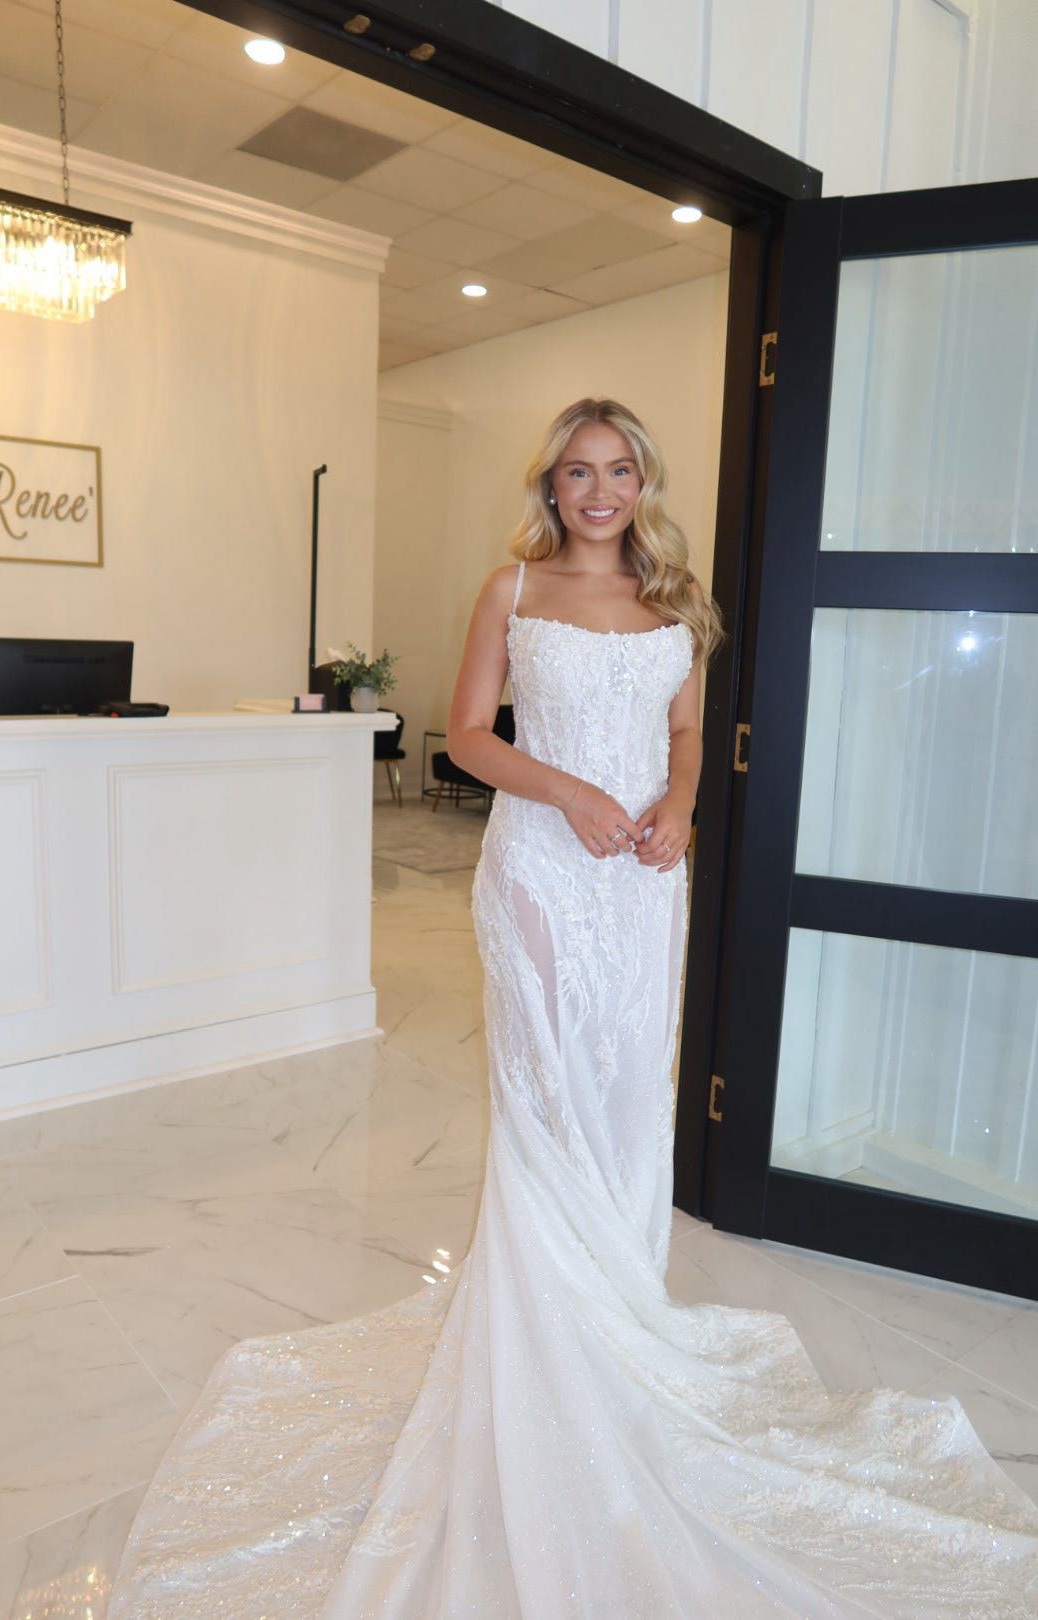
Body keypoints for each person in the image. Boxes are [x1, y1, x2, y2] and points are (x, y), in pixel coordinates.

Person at [107, 399, 1038, 1618]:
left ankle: (618, 1332)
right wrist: (573, 795)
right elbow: (471, 738)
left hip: (647, 881)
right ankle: (548, 1360)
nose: (597, 490)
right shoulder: (512, 589)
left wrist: (681, 804)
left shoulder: (679, 601)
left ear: (643, 481)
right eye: (576, 471)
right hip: (542, 870)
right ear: (548, 482)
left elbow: (690, 728)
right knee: (546, 1106)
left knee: (623, 1099)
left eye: (619, 470)